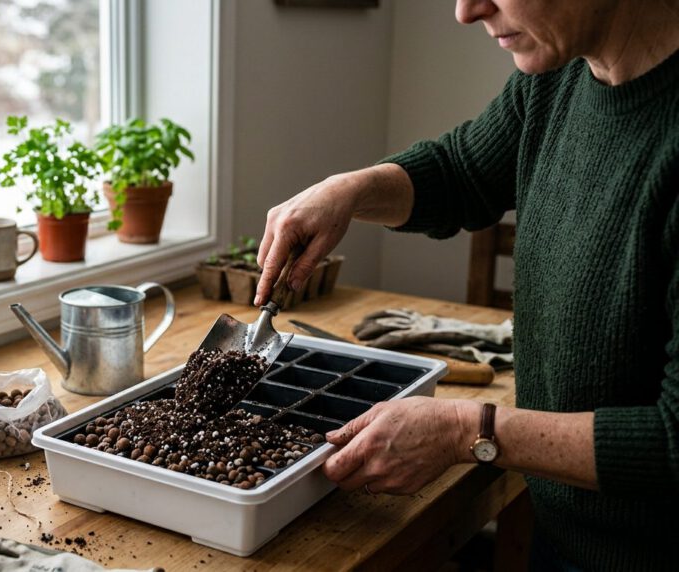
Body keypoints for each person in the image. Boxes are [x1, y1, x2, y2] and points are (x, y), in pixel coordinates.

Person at [253, 0, 679, 569]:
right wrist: (349, 191)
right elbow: (462, 172)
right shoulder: (559, 76)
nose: (466, 11)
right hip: (567, 529)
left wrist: (466, 430)